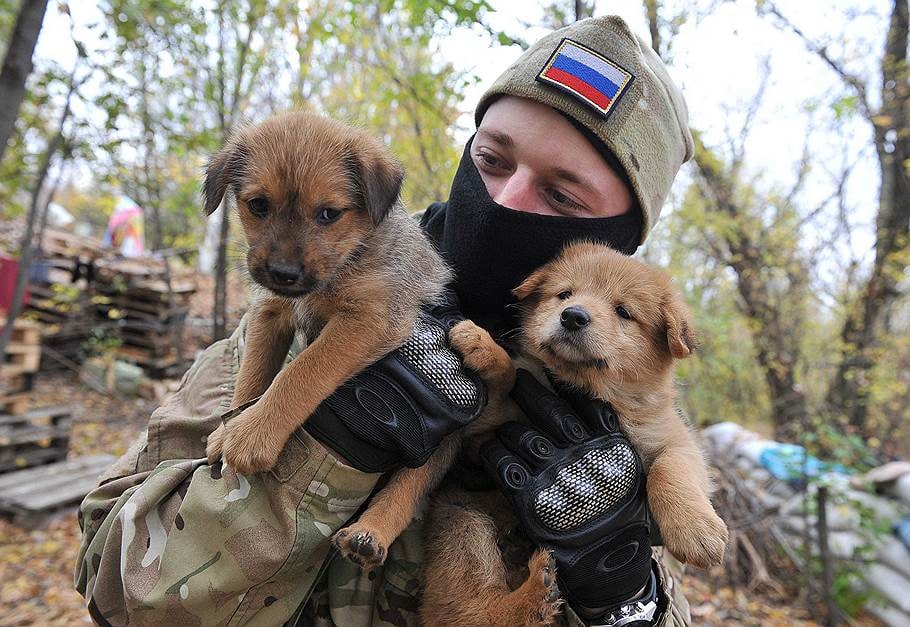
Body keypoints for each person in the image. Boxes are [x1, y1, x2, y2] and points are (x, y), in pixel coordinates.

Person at [74, 15, 695, 627]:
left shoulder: (625, 413)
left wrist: (623, 598)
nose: (503, 201)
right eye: (492, 158)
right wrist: (326, 451)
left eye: (561, 195)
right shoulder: (296, 321)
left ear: (618, 239)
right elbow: (118, 591)